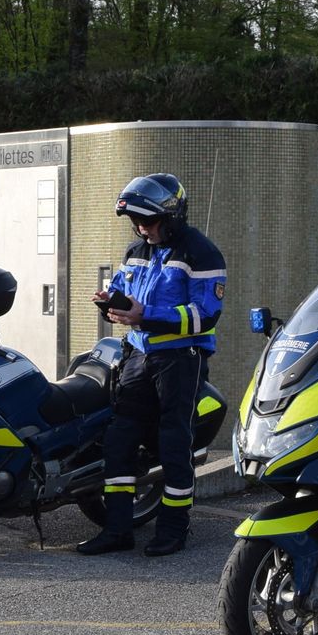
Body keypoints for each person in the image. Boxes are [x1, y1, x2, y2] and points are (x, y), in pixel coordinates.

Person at [76, 173, 225, 558]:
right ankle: (117, 529)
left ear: (171, 215)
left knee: (174, 443)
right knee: (119, 438)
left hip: (180, 360)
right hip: (137, 356)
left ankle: (173, 530)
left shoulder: (201, 253)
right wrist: (114, 302)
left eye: (149, 220)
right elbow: (130, 301)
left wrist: (146, 314)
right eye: (136, 222)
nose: (142, 228)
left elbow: (204, 316)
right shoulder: (135, 251)